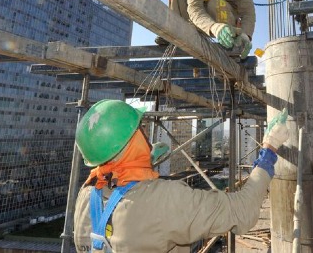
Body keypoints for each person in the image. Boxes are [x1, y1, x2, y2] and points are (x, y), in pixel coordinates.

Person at [73, 99, 289, 252]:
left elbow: (119, 180)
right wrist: (269, 149)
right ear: (133, 142)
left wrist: (144, 161)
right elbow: (243, 210)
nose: (145, 132)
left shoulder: (85, 195)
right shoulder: (163, 201)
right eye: (141, 129)